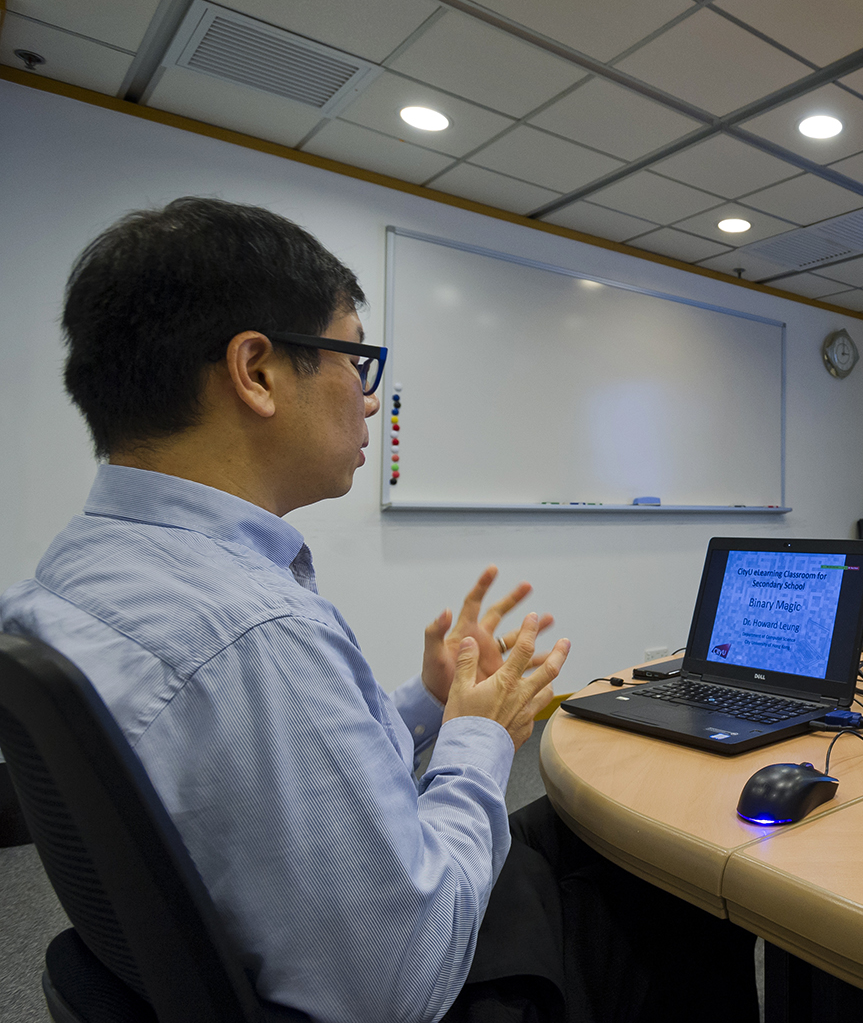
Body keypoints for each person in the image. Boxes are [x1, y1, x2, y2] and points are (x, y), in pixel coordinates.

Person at [0, 198, 756, 1023]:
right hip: (409, 988)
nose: (369, 402)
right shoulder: (259, 634)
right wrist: (481, 735)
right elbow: (403, 977)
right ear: (256, 371)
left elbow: (275, 781)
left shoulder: (68, 572)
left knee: (584, 837)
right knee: (679, 885)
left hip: (227, 960)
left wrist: (432, 701)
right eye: (355, 362)